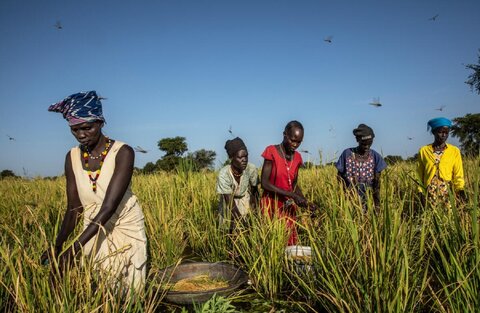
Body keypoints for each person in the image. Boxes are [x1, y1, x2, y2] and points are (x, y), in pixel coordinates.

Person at [41, 91, 147, 293]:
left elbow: (109, 207)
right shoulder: (71, 157)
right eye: (75, 130)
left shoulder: (123, 152)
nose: (81, 135)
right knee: (101, 285)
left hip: (123, 223)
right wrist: (58, 246)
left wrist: (73, 250)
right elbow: (74, 208)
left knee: (130, 287)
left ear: (100, 122)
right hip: (93, 227)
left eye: (87, 128)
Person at [260, 120, 314, 246]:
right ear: (284, 135)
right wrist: (292, 195)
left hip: (288, 206)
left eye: (299, 142)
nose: (295, 144)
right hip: (271, 205)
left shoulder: (298, 158)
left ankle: (288, 266)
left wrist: (304, 201)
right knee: (272, 243)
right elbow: (264, 183)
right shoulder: (271, 151)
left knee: (290, 242)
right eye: (292, 140)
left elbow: (294, 184)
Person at [336, 124, 387, 211]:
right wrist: (342, 200)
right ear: (357, 140)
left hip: (368, 203)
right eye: (364, 144)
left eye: (370, 143)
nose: (367, 146)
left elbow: (377, 184)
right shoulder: (347, 154)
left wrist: (377, 205)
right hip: (349, 203)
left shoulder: (375, 157)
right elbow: (339, 179)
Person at [417, 117, 466, 208]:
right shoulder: (423, 151)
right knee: (431, 218)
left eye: (446, 132)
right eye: (440, 132)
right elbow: (419, 174)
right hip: (430, 192)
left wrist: (460, 190)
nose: (443, 135)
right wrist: (420, 191)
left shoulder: (454, 151)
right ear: (433, 132)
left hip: (448, 193)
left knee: (449, 218)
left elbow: (458, 174)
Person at [216, 137, 259, 232]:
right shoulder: (224, 174)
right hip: (229, 205)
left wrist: (253, 212)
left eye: (246, 156)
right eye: (240, 157)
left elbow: (254, 192)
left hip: (245, 200)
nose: (244, 160)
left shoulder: (251, 169)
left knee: (249, 231)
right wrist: (243, 223)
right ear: (231, 158)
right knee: (230, 231)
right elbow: (230, 203)